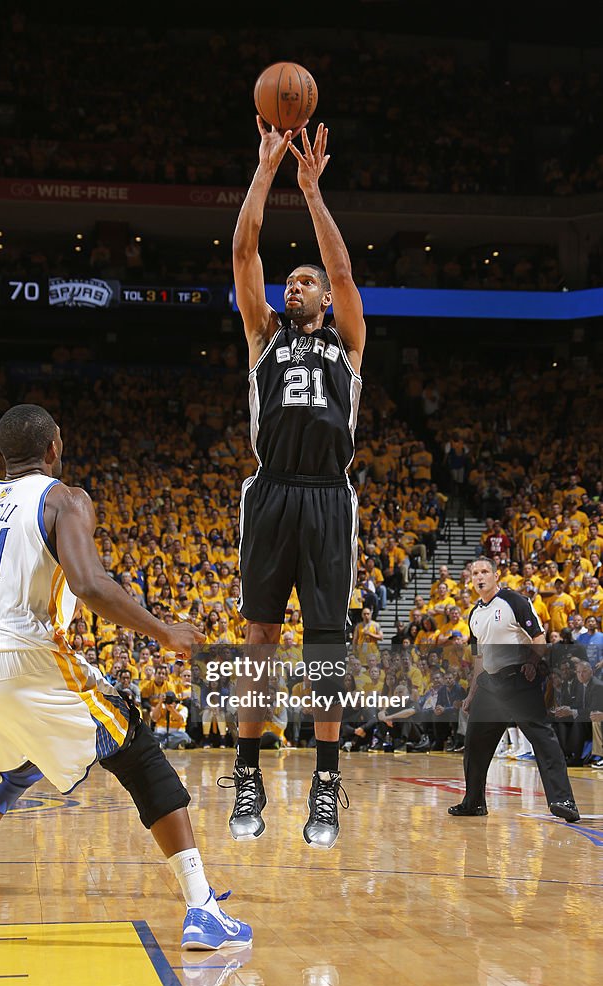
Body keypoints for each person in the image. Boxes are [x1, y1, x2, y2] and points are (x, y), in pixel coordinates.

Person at [0, 404, 251, 949]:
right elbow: (91, 585)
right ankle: (202, 909)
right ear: (55, 447)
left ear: (5, 454)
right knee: (137, 746)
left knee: (13, 771)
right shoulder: (64, 498)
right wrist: (164, 631)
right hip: (25, 659)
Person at [222, 118, 366, 850]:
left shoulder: (347, 341)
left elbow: (343, 273)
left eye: (305, 280)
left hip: (327, 494)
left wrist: (311, 190)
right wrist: (265, 171)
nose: (297, 284)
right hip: (272, 487)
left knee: (327, 647)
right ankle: (247, 771)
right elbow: (244, 248)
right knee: (259, 637)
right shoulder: (263, 337)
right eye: (292, 280)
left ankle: (327, 781)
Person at [448, 556, 580, 822]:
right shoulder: (474, 615)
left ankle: (563, 799)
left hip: (519, 678)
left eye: (485, 571)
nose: (480, 576)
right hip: (489, 684)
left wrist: (532, 662)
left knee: (542, 738)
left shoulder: (514, 602)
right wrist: (471, 694)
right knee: (474, 743)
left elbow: (539, 639)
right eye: (475, 573)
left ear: (496, 576)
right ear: (470, 579)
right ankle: (474, 803)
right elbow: (479, 659)